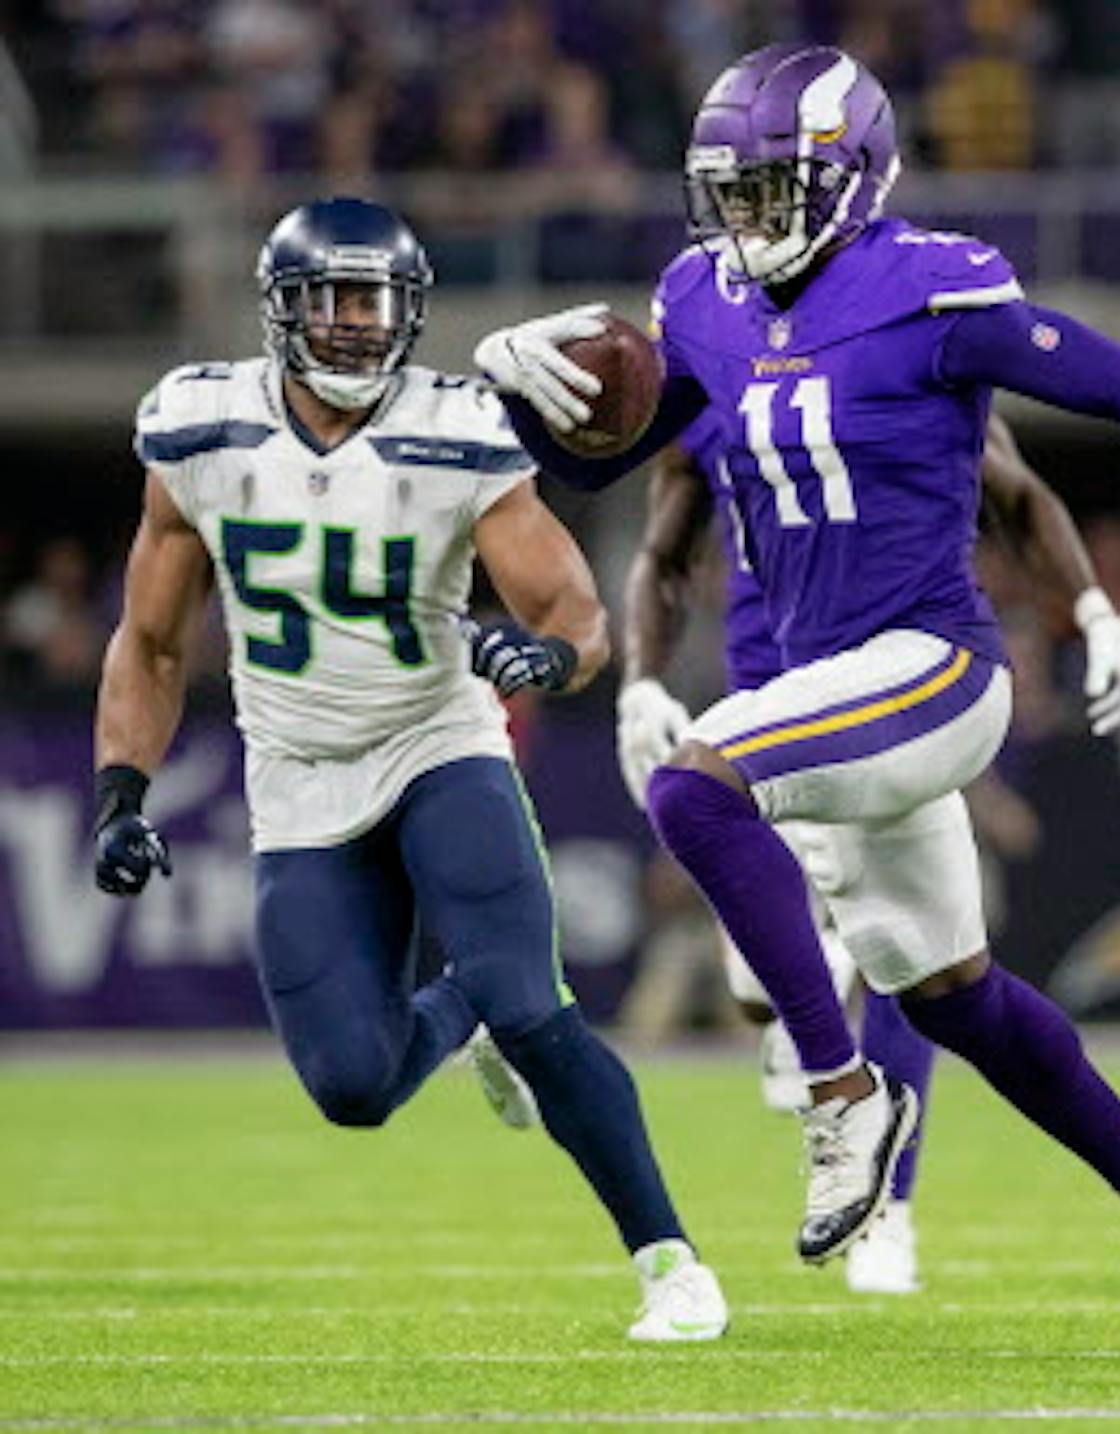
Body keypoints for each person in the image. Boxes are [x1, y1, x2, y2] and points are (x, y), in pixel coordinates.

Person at [475, 44, 1120, 1354]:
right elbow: (629, 443)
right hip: (822, 688)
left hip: (935, 669)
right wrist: (519, 392)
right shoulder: (705, 297)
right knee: (955, 993)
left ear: (857, 174)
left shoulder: (934, 286)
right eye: (730, 192)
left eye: (776, 187)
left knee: (697, 783)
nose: (747, 220)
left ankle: (842, 1087)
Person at [94, 197, 727, 1343]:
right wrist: (119, 791)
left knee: (535, 1003)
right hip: (294, 773)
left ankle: (672, 1263)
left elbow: (575, 612)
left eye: (373, 300)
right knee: (354, 1088)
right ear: (281, 310)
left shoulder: (455, 429)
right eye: (331, 299)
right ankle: (460, 1016)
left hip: (438, 742)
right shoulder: (199, 426)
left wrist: (546, 653)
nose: (353, 325)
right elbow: (149, 641)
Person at [617, 408, 1120, 1296]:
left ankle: (891, 1210)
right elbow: (665, 549)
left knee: (917, 967)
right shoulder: (711, 366)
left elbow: (1018, 495)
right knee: (763, 996)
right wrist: (640, 683)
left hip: (893, 691)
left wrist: (1097, 617)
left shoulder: (894, 361)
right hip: (763, 715)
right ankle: (816, 1004)